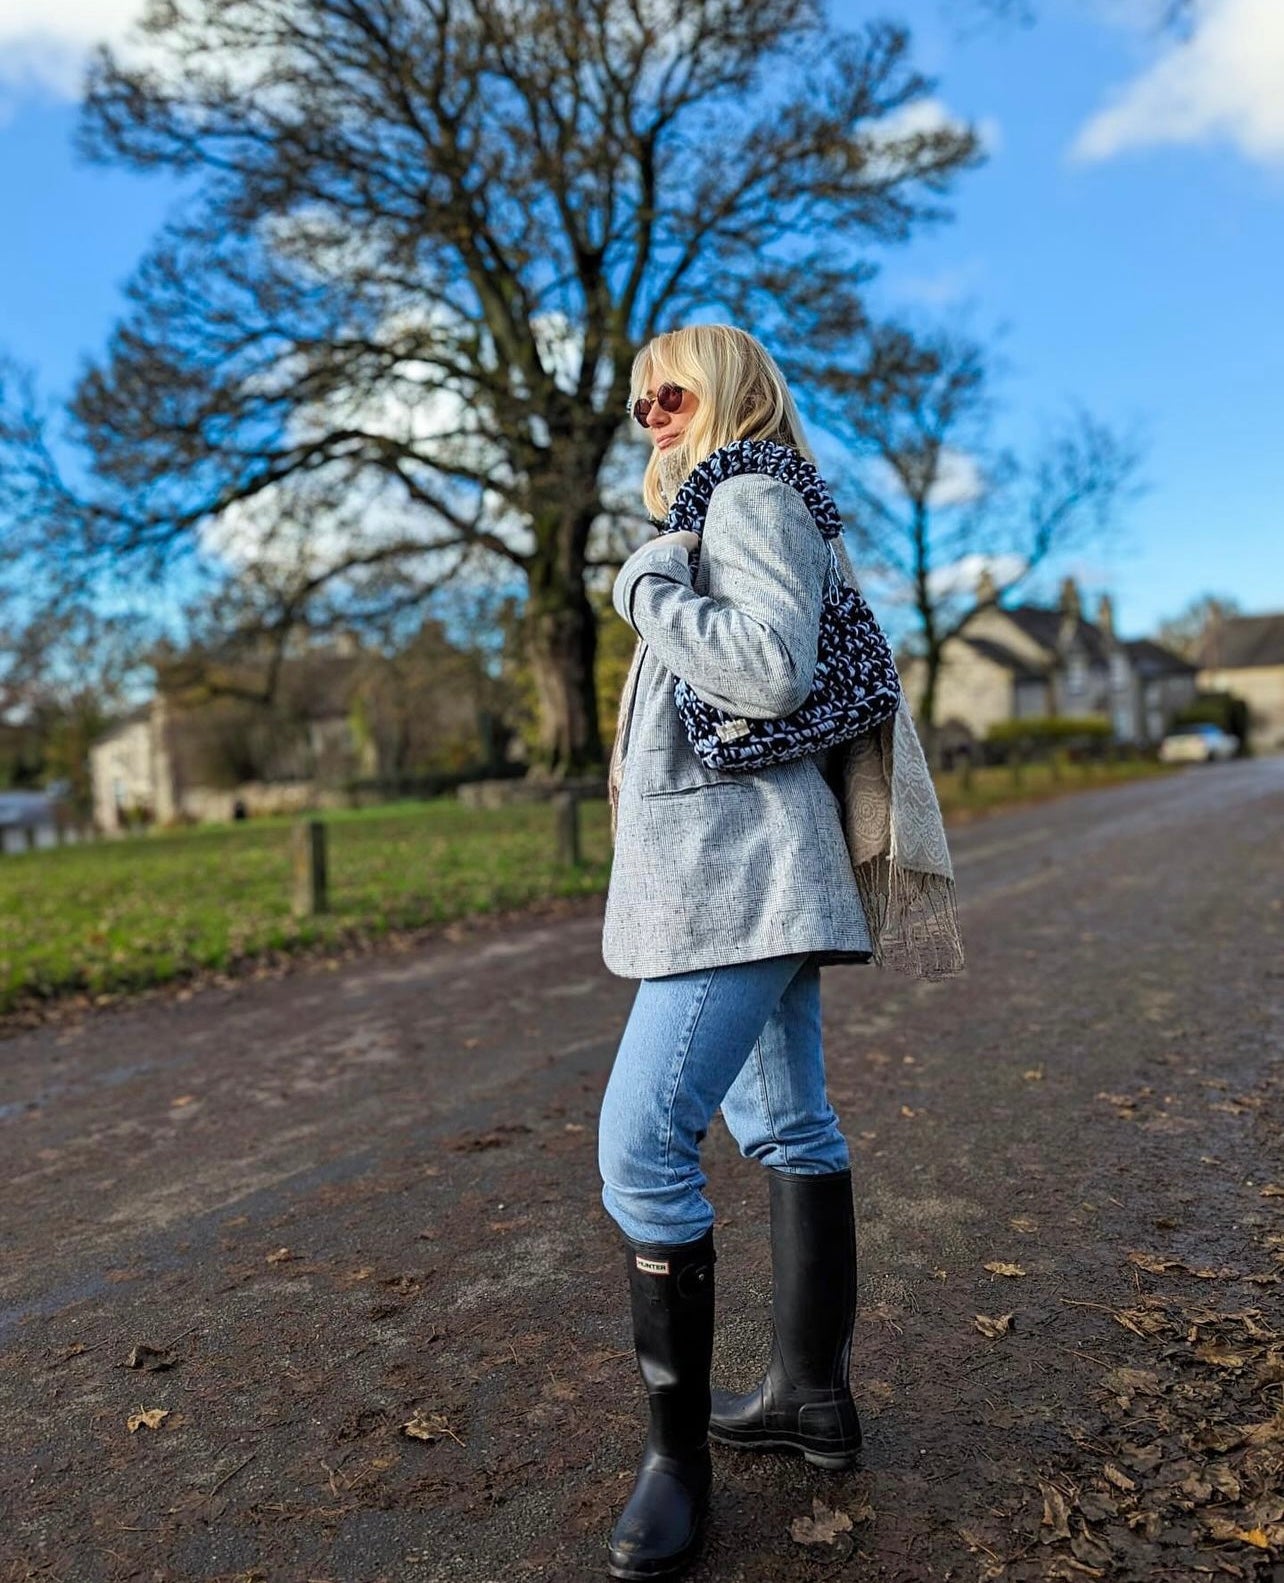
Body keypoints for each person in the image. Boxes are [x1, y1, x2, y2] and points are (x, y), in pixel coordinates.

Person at [597, 324, 892, 1581]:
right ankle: (808, 1398)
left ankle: (677, 1466)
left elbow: (769, 671)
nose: (653, 411)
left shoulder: (750, 491)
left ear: (732, 390)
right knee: (791, 1129)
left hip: (741, 885)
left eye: (673, 388)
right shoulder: (729, 506)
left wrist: (645, 587)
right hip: (746, 879)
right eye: (637, 400)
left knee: (641, 1145)